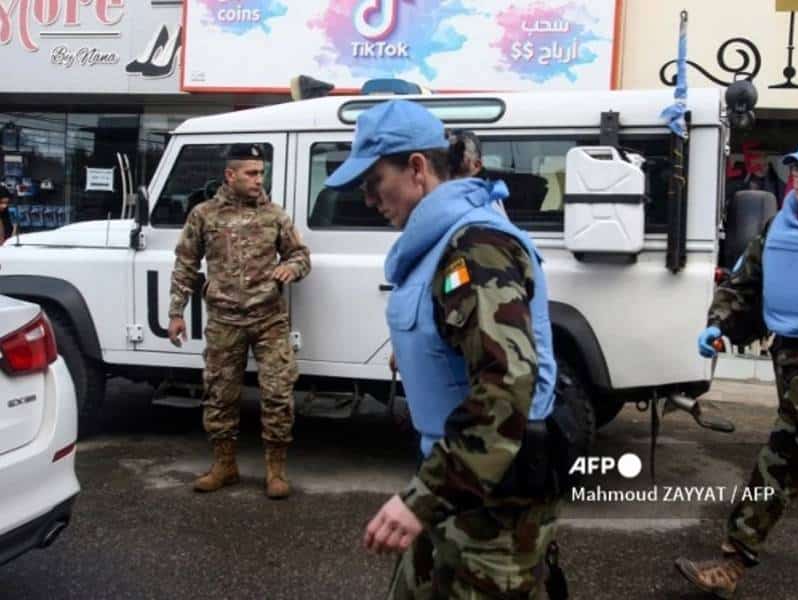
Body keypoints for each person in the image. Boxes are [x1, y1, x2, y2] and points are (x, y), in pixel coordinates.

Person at [326, 100, 561, 598]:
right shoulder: (442, 240)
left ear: (416, 168)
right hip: (461, 484)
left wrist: (422, 498)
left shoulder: (475, 245)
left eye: (373, 181)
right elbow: (460, 334)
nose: (368, 198)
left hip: (490, 508)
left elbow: (507, 385)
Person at [675, 148, 798, 598]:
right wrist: (721, 323)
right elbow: (747, 283)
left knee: (783, 457)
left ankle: (733, 562)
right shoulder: (778, 228)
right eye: (797, 168)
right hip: (789, 358)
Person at [167, 144, 311, 499]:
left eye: (261, 173)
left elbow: (300, 255)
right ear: (230, 175)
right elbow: (186, 263)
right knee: (219, 394)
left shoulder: (275, 216)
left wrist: (292, 268)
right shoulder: (203, 215)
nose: (258, 180)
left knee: (278, 394)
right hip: (224, 320)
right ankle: (224, 466)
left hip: (269, 319)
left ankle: (276, 471)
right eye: (251, 173)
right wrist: (176, 312)